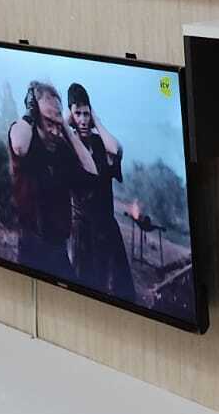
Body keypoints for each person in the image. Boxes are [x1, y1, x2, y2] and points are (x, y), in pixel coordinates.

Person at [7, 80, 96, 280]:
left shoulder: (62, 149)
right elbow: (19, 146)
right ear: (35, 114)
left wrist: (65, 128)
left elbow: (91, 173)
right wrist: (30, 112)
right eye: (49, 122)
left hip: (58, 249)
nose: (55, 131)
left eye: (58, 123)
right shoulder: (25, 138)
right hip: (31, 246)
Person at [65, 82, 137, 300]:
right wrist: (67, 121)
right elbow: (55, 133)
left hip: (107, 228)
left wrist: (96, 119)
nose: (83, 120)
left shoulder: (99, 144)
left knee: (120, 293)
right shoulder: (67, 146)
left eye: (86, 114)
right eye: (77, 114)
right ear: (70, 115)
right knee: (85, 292)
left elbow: (116, 149)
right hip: (82, 232)